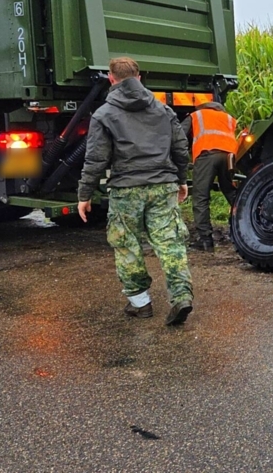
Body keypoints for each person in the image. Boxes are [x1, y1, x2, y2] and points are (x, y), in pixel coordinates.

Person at [77, 57, 194, 326]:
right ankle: (181, 296)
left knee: (126, 244)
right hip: (163, 185)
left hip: (126, 189)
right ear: (139, 77)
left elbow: (96, 159)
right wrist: (182, 180)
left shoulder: (104, 114)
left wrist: (84, 195)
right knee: (170, 242)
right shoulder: (163, 109)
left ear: (111, 79)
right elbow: (179, 148)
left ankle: (140, 304)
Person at [185, 100, 238, 252]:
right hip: (228, 157)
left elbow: (179, 135)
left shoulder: (197, 115)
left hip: (207, 155)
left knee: (200, 196)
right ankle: (243, 226)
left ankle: (205, 240)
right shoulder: (228, 118)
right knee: (230, 191)